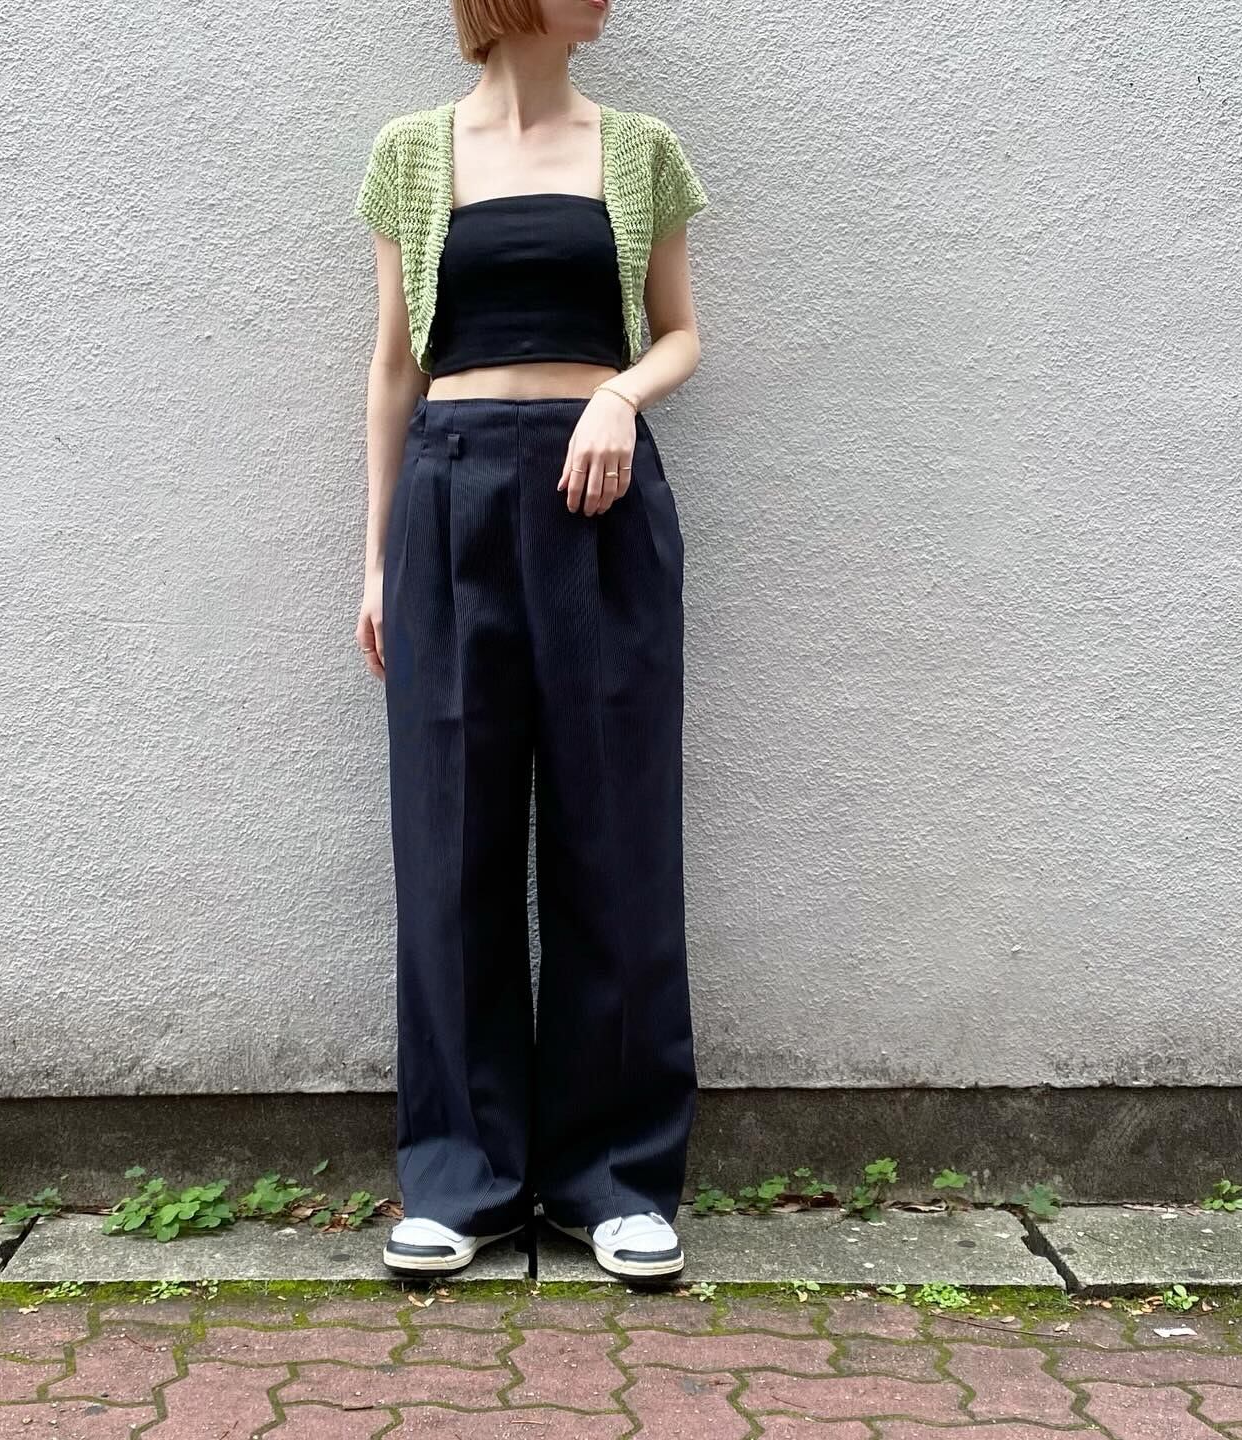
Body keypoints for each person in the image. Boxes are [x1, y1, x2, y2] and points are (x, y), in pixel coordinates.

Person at [353, 0, 710, 1283]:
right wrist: (377, 560)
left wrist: (618, 391)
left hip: (599, 501)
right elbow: (392, 370)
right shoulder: (410, 152)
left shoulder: (642, 149)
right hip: (448, 497)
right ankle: (462, 1179)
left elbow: (681, 332)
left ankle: (614, 1180)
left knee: (616, 832)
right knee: (451, 838)